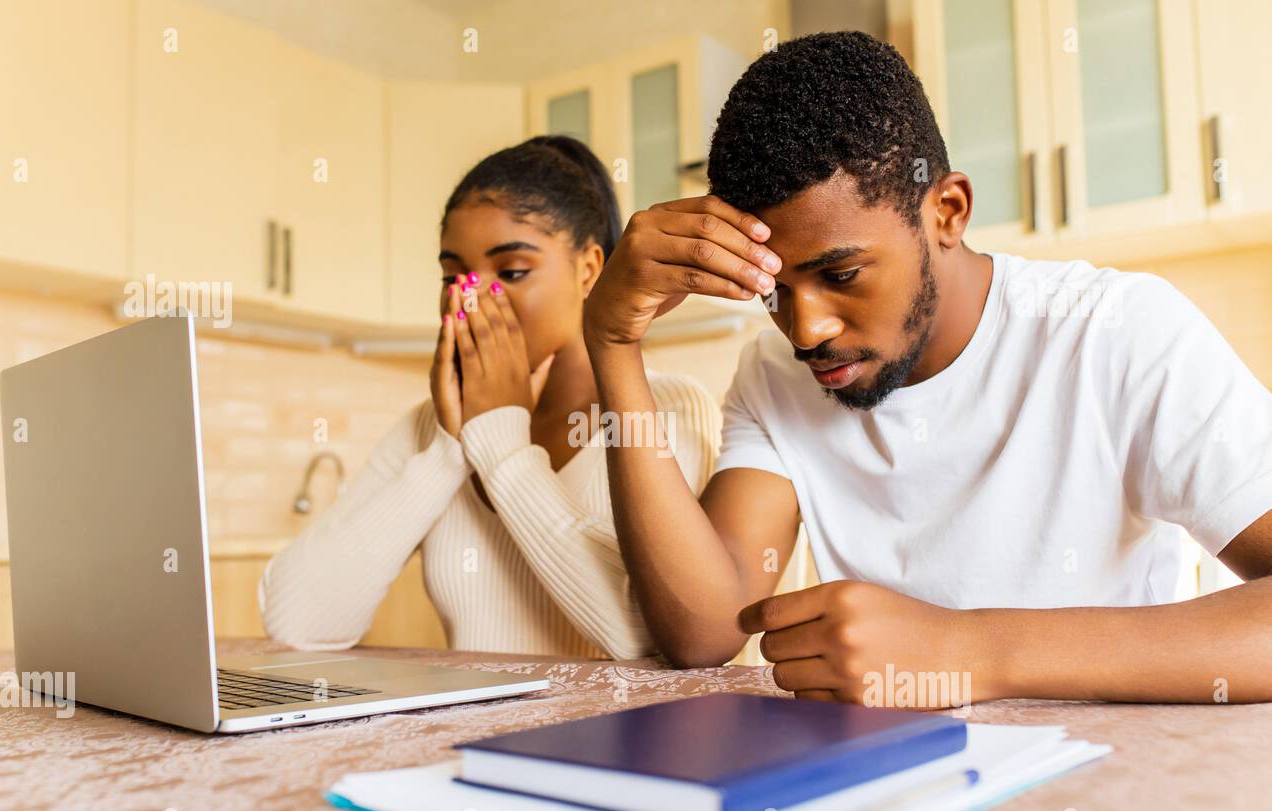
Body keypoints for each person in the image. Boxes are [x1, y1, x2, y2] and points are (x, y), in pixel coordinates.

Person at [582, 32, 1272, 703]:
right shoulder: (773, 373)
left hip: (1108, 786)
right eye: (774, 290)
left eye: (842, 273)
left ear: (947, 211)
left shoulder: (1115, 332)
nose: (805, 329)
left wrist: (968, 651)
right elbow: (702, 631)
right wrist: (612, 343)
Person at [260, 136, 720, 659]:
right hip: (463, 740)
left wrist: (500, 441)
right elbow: (295, 621)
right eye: (453, 275)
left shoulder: (673, 408)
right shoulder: (427, 428)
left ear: (589, 268)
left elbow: (650, 637)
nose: (472, 298)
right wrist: (453, 446)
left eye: (512, 272)